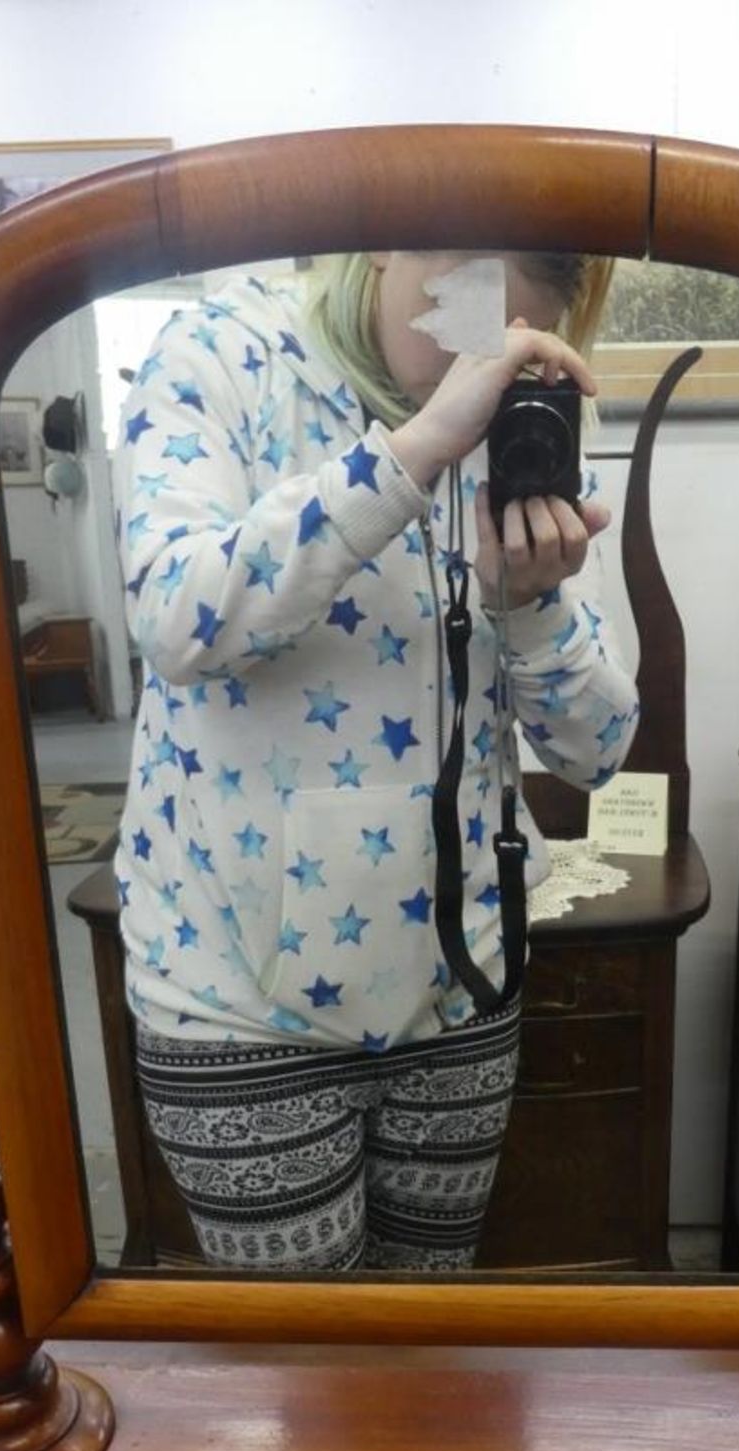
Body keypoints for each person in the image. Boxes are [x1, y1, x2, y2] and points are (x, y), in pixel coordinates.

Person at [112, 248, 639, 1272]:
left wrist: (530, 603)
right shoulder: (221, 353)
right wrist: (411, 455)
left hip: (461, 991)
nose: (469, 367)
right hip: (236, 1011)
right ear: (401, 246)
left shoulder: (520, 416)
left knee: (423, 1355)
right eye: (463, 318)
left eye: (513, 339)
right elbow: (177, 620)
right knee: (312, 1391)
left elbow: (598, 749)